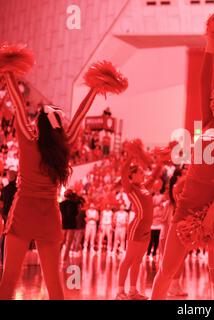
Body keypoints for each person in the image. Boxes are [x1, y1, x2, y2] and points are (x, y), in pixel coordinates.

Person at [0, 49, 121, 299]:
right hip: (49, 217)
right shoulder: (64, 147)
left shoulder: (27, 139)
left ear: (39, 123)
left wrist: (8, 72)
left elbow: (19, 107)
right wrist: (96, 89)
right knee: (54, 282)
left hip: (24, 211)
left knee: (9, 278)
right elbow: (80, 116)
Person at [151, 34, 214, 300]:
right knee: (167, 269)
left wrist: (212, 211)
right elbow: (202, 82)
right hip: (187, 205)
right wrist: (211, 43)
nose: (212, 102)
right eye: (211, 100)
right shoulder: (209, 124)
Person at [115, 140, 166, 300]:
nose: (143, 174)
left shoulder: (144, 186)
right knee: (129, 259)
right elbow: (123, 172)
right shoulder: (130, 187)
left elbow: (156, 172)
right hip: (136, 226)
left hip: (146, 228)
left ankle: (132, 291)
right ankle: (119, 291)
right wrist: (131, 155)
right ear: (132, 175)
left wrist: (161, 160)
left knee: (138, 260)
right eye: (139, 172)